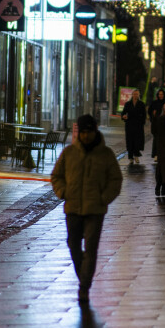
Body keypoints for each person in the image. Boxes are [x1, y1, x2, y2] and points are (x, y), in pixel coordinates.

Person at [51, 115, 124, 303]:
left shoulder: (106, 154)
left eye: (88, 132)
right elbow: (56, 176)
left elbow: (115, 180)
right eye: (82, 132)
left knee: (91, 249)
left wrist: (103, 198)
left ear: (95, 131)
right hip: (73, 207)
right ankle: (83, 276)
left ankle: (84, 286)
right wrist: (63, 192)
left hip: (95, 210)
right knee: (73, 245)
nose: (85, 136)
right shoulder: (69, 153)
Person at [121, 90, 147, 164]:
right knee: (130, 141)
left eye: (137, 94)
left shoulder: (141, 104)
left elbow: (144, 115)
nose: (136, 95)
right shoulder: (128, 104)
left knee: (137, 141)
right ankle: (130, 157)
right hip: (129, 125)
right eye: (134, 94)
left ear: (139, 95)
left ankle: (136, 155)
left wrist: (142, 122)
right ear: (132, 95)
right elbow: (123, 112)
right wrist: (124, 116)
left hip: (138, 125)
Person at [148, 89, 165, 158]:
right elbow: (150, 111)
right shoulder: (154, 103)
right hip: (156, 124)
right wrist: (152, 116)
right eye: (159, 94)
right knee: (156, 139)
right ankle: (155, 154)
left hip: (164, 124)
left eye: (162, 94)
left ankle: (161, 154)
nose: (161, 96)